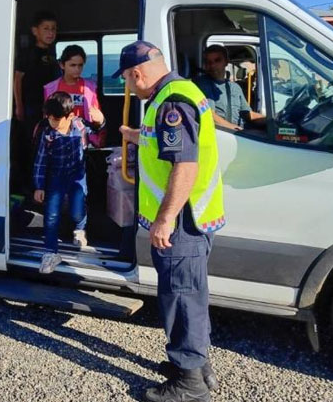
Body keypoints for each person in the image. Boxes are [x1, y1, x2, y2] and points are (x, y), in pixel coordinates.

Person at [115, 41, 224, 402]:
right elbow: (165, 146)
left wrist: (164, 220)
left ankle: (189, 384)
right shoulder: (178, 91)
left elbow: (185, 165)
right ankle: (196, 365)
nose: (129, 87)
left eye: (128, 80)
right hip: (192, 220)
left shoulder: (171, 104)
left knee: (180, 297)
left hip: (180, 224)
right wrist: (135, 136)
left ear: (137, 73)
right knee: (191, 295)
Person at [33, 92, 104, 274]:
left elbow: (97, 130)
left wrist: (101, 120)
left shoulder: (79, 126)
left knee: (77, 209)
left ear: (70, 116)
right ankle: (50, 252)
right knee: (51, 214)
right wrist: (39, 186)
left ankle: (80, 228)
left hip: (77, 175)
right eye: (49, 118)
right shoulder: (47, 134)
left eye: (57, 119)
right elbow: (40, 160)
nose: (53, 123)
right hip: (55, 177)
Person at [12, 11, 60, 196]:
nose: (50, 33)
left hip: (49, 108)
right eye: (46, 29)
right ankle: (30, 187)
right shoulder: (28, 55)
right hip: (31, 106)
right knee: (32, 146)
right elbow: (17, 79)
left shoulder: (53, 54)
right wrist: (19, 105)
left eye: (53, 29)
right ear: (35, 31)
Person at [43, 44, 104, 146]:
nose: (77, 69)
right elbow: (46, 117)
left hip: (83, 138)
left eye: (80, 65)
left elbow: (96, 116)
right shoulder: (50, 88)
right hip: (58, 138)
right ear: (62, 65)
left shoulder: (90, 88)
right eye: (73, 65)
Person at [195, 45, 265, 130]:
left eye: (217, 60)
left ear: (226, 62)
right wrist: (235, 129)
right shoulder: (202, 84)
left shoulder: (235, 87)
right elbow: (209, 115)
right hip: (222, 133)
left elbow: (248, 114)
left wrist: (269, 121)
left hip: (238, 133)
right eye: (208, 62)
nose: (212, 65)